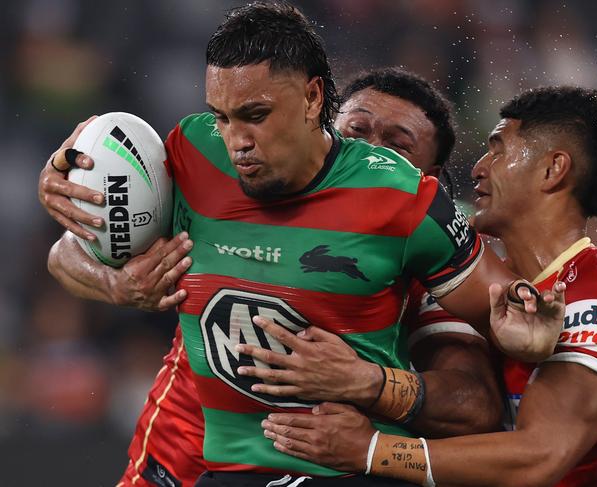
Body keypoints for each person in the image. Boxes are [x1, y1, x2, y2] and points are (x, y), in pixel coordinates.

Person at [39, 3, 565, 485]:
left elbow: (499, 348)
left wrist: (369, 383)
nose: (237, 141)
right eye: (224, 117)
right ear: (329, 111)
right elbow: (70, 252)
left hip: (332, 464)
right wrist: (111, 269)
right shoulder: (194, 152)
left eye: (256, 116)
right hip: (191, 448)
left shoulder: (407, 208)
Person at [260, 86, 597, 487]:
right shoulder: (480, 283)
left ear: (552, 170)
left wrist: (371, 450)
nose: (478, 168)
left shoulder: (596, 298)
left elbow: (539, 455)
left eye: (498, 150)